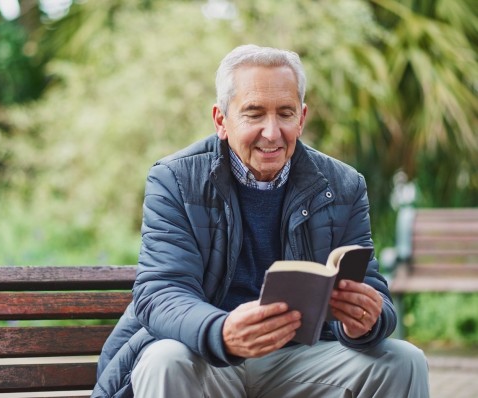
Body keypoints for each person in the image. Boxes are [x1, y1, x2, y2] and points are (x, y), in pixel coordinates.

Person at [92, 44, 429, 398]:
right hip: (207, 355)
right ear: (221, 120)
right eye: (254, 114)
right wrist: (221, 332)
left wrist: (366, 320)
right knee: (166, 360)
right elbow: (159, 294)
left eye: (285, 113)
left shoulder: (344, 185)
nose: (272, 132)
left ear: (301, 118)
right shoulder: (174, 179)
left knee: (404, 360)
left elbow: (374, 290)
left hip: (301, 359)